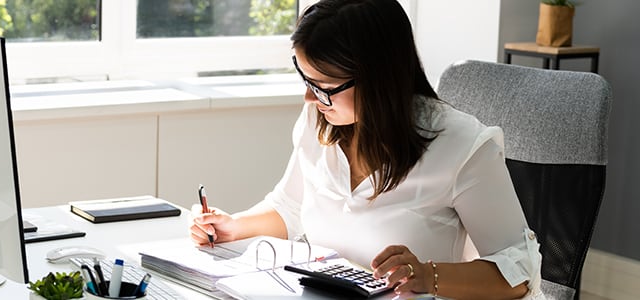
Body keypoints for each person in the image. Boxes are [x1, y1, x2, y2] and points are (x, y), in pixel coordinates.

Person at [188, 0, 542, 299]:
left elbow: (520, 272)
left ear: (378, 78)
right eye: (306, 79)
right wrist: (234, 227)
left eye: (324, 85)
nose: (310, 97)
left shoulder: (463, 146)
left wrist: (427, 275)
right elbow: (290, 207)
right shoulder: (321, 120)